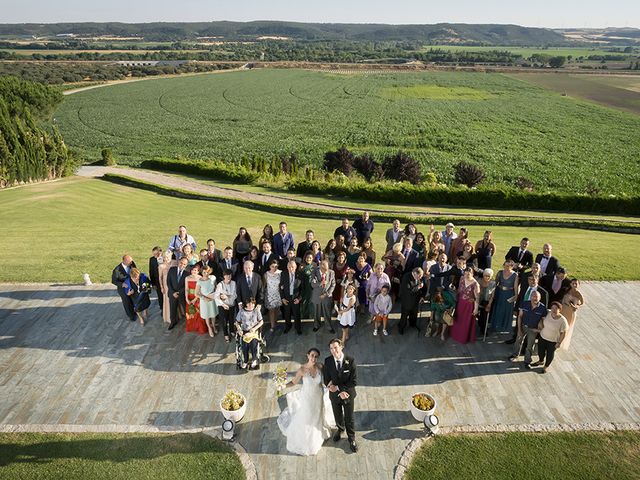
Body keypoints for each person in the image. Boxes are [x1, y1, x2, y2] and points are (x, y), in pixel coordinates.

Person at [277, 348, 335, 456]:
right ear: (308, 355)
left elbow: (327, 379)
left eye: (316, 356)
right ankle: (308, 438)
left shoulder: (320, 366)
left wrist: (332, 384)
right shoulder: (302, 369)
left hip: (318, 396)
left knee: (317, 416)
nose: (314, 358)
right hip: (307, 398)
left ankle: (318, 432)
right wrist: (283, 386)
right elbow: (294, 382)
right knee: (307, 416)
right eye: (312, 355)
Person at [323, 339, 358, 453]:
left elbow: (353, 381)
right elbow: (326, 379)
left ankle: (351, 438)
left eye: (335, 347)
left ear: (341, 347)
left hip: (348, 394)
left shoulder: (350, 361)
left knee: (349, 417)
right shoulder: (328, 361)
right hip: (334, 396)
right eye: (331, 348)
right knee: (337, 415)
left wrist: (340, 389)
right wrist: (332, 388)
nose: (333, 351)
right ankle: (340, 429)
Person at [509, 291, 547, 368]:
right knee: (518, 341)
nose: (534, 298)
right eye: (533, 296)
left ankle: (527, 361)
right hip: (523, 326)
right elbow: (519, 316)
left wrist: (539, 330)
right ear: (530, 297)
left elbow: (543, 321)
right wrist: (519, 330)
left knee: (530, 345)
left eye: (536, 297)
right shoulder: (524, 304)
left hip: (533, 329)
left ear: (540, 298)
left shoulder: (542, 308)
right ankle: (515, 355)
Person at [535, 301, 568, 373]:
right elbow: (541, 317)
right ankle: (541, 361)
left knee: (550, 354)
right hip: (543, 337)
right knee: (540, 351)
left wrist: (559, 343)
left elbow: (564, 333)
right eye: (552, 308)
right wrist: (540, 325)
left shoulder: (563, 321)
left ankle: (546, 366)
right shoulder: (548, 312)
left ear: (560, 310)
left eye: (556, 308)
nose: (554, 310)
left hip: (553, 341)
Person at [450, 267, 480, 344]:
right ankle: (455, 334)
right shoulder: (462, 278)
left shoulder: (475, 284)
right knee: (458, 319)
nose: (466, 275)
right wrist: (454, 290)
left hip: (469, 306)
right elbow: (459, 290)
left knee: (465, 322)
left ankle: (463, 337)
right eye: (465, 273)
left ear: (472, 274)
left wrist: (476, 309)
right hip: (460, 303)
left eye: (469, 274)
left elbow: (477, 298)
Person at [489, 261, 519, 333]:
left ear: (512, 267)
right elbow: (495, 283)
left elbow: (515, 286)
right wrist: (491, 292)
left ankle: (504, 326)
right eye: (505, 266)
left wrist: (516, 295)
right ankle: (495, 325)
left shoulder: (515, 275)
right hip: (499, 293)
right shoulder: (500, 273)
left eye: (508, 266)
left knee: (507, 310)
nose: (506, 267)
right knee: (498, 308)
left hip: (509, 294)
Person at [235, 298, 264, 370]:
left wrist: (254, 328)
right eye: (249, 303)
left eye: (253, 304)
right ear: (246, 304)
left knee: (254, 343)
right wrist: (239, 329)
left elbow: (261, 322)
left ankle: (254, 359)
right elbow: (236, 322)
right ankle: (245, 360)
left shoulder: (256, 311)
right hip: (244, 331)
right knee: (244, 345)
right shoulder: (242, 311)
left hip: (253, 331)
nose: (251, 305)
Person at [398, 267, 426, 334]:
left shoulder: (420, 277)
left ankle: (412, 324)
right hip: (407, 299)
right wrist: (418, 287)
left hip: (416, 299)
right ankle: (401, 327)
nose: (420, 278)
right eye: (419, 276)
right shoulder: (406, 277)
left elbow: (425, 287)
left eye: (421, 277)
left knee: (414, 314)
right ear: (414, 273)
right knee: (404, 315)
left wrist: (422, 296)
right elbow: (408, 291)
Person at [312, 260, 336, 333]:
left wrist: (326, 294)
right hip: (317, 296)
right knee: (317, 312)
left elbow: (333, 284)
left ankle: (329, 326)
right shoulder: (314, 272)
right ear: (321, 267)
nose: (326, 271)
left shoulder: (331, 272)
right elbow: (312, 284)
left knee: (327, 312)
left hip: (327, 296)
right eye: (325, 270)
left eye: (327, 269)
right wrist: (320, 283)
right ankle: (316, 325)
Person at [559, 278, 584, 351]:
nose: (574, 285)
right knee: (560, 324)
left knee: (566, 327)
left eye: (576, 284)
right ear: (570, 284)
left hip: (571, 312)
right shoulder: (567, 290)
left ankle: (561, 341)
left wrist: (576, 306)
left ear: (579, 285)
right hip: (563, 309)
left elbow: (582, 303)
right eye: (573, 283)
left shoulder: (579, 294)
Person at [280, 260, 303, 334]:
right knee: (287, 314)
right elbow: (280, 287)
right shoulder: (283, 274)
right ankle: (288, 326)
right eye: (289, 267)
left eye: (292, 267)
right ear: (287, 267)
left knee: (297, 314)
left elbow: (303, 288)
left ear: (296, 267)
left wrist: (299, 299)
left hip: (295, 298)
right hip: (286, 298)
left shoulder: (300, 274)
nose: (291, 269)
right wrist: (282, 298)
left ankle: (298, 328)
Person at [214, 269, 237, 342]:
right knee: (224, 321)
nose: (228, 277)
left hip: (231, 304)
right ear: (224, 276)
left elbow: (235, 294)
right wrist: (223, 304)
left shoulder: (234, 283)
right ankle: (226, 334)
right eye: (227, 275)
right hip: (223, 305)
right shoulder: (220, 284)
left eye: (230, 275)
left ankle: (232, 331)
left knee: (231, 319)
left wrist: (227, 296)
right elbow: (216, 296)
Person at [112, 254, 137, 322]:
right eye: (129, 261)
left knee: (133, 299)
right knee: (127, 302)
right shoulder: (117, 270)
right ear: (125, 261)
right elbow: (114, 281)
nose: (131, 262)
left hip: (132, 286)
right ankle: (131, 316)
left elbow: (135, 271)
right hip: (123, 289)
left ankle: (136, 311)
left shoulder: (132, 264)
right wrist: (122, 284)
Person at [167, 256, 189, 331]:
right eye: (181, 263)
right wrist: (173, 292)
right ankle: (173, 322)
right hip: (172, 293)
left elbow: (186, 285)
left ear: (186, 265)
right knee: (172, 308)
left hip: (181, 294)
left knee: (185, 308)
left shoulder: (187, 273)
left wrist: (179, 292)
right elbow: (168, 282)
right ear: (178, 262)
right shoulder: (172, 270)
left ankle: (188, 322)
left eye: (184, 264)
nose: (182, 265)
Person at [185, 263, 207, 334]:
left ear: (198, 271)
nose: (193, 271)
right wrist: (186, 298)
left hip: (197, 297)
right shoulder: (187, 278)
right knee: (190, 312)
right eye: (192, 270)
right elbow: (186, 289)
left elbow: (200, 290)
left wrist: (195, 299)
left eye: (195, 270)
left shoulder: (200, 278)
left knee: (198, 313)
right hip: (190, 297)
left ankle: (200, 327)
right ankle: (192, 326)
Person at [196, 266, 218, 337]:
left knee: (213, 314)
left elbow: (216, 287)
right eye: (204, 272)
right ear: (201, 273)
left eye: (207, 272)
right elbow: (196, 293)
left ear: (210, 271)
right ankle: (209, 328)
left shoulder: (213, 278)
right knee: (207, 315)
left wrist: (215, 295)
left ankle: (214, 326)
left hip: (212, 299)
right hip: (204, 300)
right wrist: (203, 298)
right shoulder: (199, 281)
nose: (206, 274)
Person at [263, 259, 282, 333]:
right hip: (269, 294)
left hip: (278, 294)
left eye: (276, 266)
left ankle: (275, 322)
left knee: (277, 309)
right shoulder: (266, 274)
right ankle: (272, 326)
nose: (274, 268)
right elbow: (264, 285)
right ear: (269, 266)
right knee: (271, 310)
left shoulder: (280, 273)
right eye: (272, 266)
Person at [158, 250, 175, 325]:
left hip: (174, 283)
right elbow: (160, 277)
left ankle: (176, 315)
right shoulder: (161, 266)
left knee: (174, 298)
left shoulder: (175, 262)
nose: (166, 259)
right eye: (165, 257)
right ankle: (168, 317)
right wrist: (161, 287)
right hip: (166, 285)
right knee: (167, 300)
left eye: (168, 257)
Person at [477, 268, 496, 335]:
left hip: (487, 301)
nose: (487, 277)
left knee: (484, 317)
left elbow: (492, 296)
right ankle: (478, 324)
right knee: (477, 315)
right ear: (483, 275)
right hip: (478, 300)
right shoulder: (479, 281)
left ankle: (483, 329)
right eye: (486, 275)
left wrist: (489, 304)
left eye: (489, 276)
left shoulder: (493, 283)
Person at [300, 252, 316, 319]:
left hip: (312, 287)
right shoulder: (302, 266)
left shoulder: (314, 266)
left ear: (312, 258)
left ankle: (311, 315)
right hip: (304, 286)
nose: (308, 259)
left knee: (311, 302)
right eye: (307, 257)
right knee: (304, 301)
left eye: (310, 258)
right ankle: (304, 315)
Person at [148, 246, 163, 310]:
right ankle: (162, 308)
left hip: (165, 280)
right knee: (160, 295)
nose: (155, 256)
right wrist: (153, 283)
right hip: (157, 281)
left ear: (160, 252)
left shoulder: (165, 258)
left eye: (156, 254)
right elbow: (151, 271)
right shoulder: (152, 259)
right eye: (153, 254)